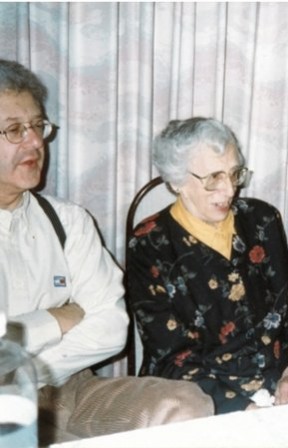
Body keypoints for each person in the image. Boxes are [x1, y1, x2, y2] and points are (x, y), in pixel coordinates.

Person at [0, 59, 214, 444]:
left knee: (189, 404)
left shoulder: (69, 221)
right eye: (15, 130)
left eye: (38, 126)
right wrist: (54, 318)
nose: (36, 142)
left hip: (68, 388)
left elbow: (111, 329)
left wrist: (24, 367)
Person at [125, 117, 288, 414]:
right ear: (177, 180)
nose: (229, 190)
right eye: (213, 179)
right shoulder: (149, 243)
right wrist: (242, 409)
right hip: (200, 395)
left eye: (234, 174)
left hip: (280, 378)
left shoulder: (262, 220)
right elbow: (171, 357)